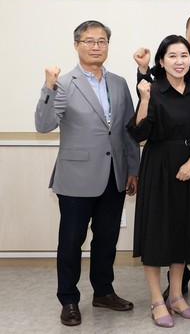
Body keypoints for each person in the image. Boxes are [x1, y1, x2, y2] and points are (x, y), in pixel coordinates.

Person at [35, 20, 140, 327]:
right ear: (76, 45)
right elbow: (43, 125)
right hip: (76, 177)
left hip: (114, 174)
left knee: (106, 240)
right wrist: (48, 86)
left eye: (102, 41)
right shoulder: (64, 83)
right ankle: (68, 299)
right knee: (71, 241)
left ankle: (103, 292)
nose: (96, 46)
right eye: (89, 41)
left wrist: (132, 168)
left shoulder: (119, 83)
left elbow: (128, 130)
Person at [133, 11, 190, 302]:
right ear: (162, 61)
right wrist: (144, 95)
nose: (179, 61)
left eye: (184, 56)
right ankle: (159, 299)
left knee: (186, 231)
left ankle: (180, 295)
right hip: (159, 167)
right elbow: (139, 132)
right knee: (158, 232)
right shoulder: (154, 90)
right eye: (172, 56)